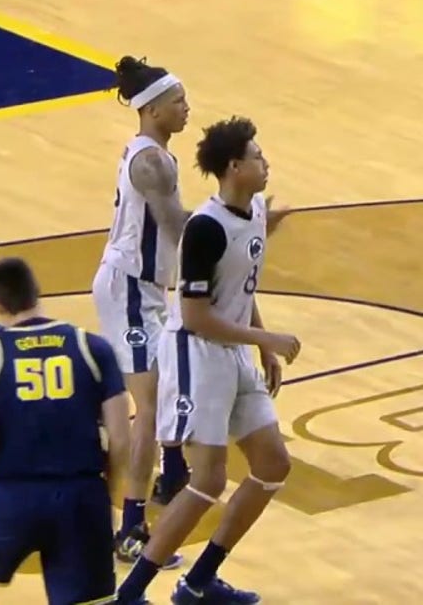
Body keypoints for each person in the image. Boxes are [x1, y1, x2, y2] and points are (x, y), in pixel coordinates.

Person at [116, 117, 299, 605]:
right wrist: (267, 336)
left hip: (234, 352)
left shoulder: (255, 209)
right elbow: (195, 317)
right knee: (209, 479)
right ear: (235, 167)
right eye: (258, 156)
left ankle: (198, 583)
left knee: (274, 464)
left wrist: (259, 346)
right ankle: (130, 594)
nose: (266, 163)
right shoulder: (204, 229)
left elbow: (241, 285)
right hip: (196, 354)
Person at [0, 257, 131, 605]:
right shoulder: (94, 349)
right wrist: (110, 492)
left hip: (15, 499)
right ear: (37, 292)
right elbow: (121, 437)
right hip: (82, 495)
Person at [95, 56, 195, 566]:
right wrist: (240, 224)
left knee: (174, 381)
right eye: (178, 102)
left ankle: (172, 472)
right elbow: (177, 227)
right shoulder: (151, 161)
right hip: (130, 287)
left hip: (148, 288)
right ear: (152, 109)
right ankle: (130, 528)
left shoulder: (158, 154)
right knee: (151, 404)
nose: (187, 109)